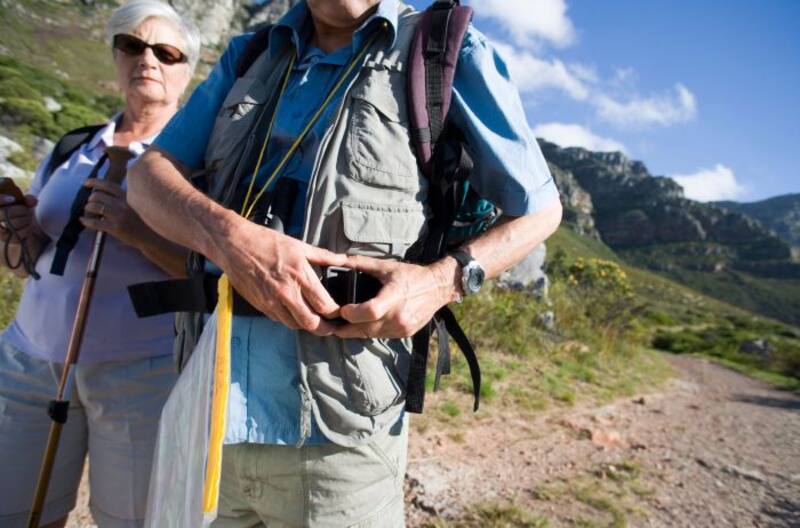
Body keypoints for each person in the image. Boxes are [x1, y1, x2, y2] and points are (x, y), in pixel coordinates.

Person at [129, 0, 563, 526]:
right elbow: (148, 177)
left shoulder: (444, 52)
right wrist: (228, 239)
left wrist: (440, 282)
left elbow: (540, 211)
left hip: (340, 434)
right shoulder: (250, 53)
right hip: (205, 412)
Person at [0, 1, 200, 526]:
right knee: (17, 511)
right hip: (28, 363)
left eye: (166, 51)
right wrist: (21, 234)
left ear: (189, 71)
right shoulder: (73, 147)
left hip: (141, 375)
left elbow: (207, 276)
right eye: (132, 45)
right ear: (114, 55)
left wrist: (134, 231)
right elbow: (34, 264)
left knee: (130, 519)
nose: (147, 60)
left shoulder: (198, 164)